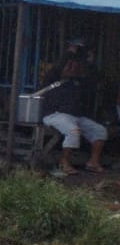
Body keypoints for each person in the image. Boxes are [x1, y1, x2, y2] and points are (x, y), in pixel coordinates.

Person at [40, 39, 107, 177]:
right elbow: (59, 66)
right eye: (69, 66)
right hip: (55, 115)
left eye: (74, 66)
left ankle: (93, 162)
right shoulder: (53, 78)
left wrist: (90, 61)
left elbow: (94, 78)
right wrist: (70, 52)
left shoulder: (77, 81)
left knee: (100, 131)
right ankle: (64, 162)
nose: (72, 68)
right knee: (73, 131)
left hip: (75, 116)